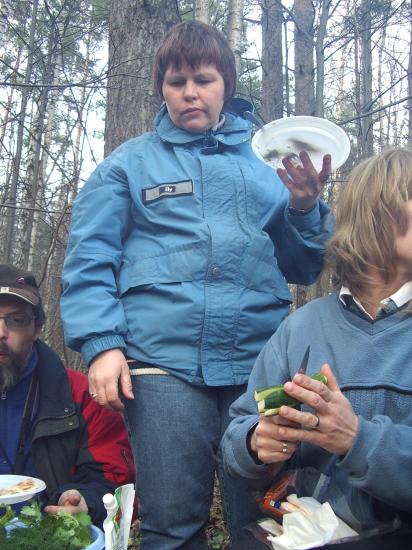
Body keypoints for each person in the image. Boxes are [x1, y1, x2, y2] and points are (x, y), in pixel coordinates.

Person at [60, 20, 334, 549]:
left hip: (258, 367)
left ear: (225, 86)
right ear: (162, 87)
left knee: (266, 523)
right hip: (162, 367)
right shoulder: (128, 164)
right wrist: (102, 345)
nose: (189, 92)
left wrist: (303, 208)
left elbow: (302, 267)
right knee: (172, 524)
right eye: (176, 80)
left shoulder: (264, 168)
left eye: (203, 79)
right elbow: (90, 259)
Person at [221, 147, 412, 534]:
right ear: (376, 217)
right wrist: (257, 443)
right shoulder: (302, 327)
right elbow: (237, 435)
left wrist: (358, 439)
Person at [0, 263, 135, 527]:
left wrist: (86, 501)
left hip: (50, 538)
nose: (1, 332)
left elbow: (115, 481)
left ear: (37, 328)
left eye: (16, 320)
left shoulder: (83, 395)